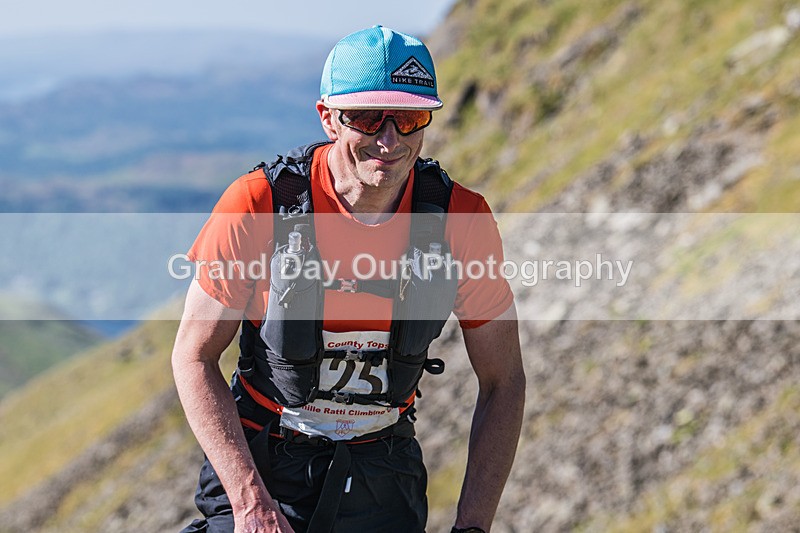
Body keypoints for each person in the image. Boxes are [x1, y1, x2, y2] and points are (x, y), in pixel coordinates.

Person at [172, 25, 525, 533]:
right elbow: (192, 355)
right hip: (267, 463)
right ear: (328, 118)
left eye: (409, 117)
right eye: (365, 117)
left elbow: (504, 380)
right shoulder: (258, 203)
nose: (389, 139)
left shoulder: (460, 219)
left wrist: (473, 526)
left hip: (385, 473)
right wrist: (251, 503)